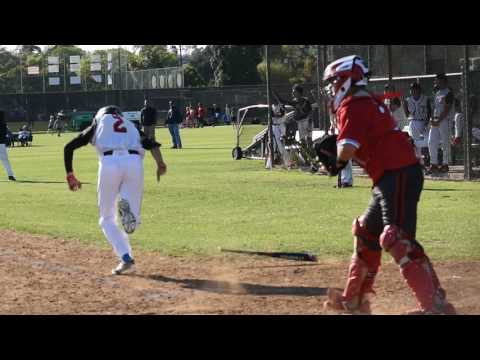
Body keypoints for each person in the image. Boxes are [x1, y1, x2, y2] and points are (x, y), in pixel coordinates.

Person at [320, 55, 455, 315]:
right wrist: (338, 152)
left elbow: (347, 149)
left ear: (347, 80)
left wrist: (336, 160)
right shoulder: (363, 100)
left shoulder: (354, 103)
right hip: (390, 177)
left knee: (396, 239)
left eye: (334, 81)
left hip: (398, 173)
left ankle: (435, 306)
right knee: (366, 232)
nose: (332, 88)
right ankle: (354, 301)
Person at [63, 105, 167, 275]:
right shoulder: (131, 125)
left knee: (106, 218)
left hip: (109, 163)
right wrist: (160, 163)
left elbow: (69, 147)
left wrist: (70, 175)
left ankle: (125, 256)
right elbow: (151, 143)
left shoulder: (98, 123)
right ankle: (129, 229)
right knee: (132, 220)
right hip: (134, 163)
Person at [274, 84, 313, 159]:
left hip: (307, 121)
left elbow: (310, 112)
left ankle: (312, 155)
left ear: (299, 92)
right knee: (302, 141)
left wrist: (309, 123)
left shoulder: (305, 101)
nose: (292, 93)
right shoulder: (294, 101)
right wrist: (276, 95)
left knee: (309, 139)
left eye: (294, 92)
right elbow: (284, 102)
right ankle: (306, 157)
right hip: (300, 122)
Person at [427, 73, 454, 174]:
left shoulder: (448, 92)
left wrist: (438, 120)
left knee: (445, 142)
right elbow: (435, 108)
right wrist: (432, 119)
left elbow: (447, 109)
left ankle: (445, 164)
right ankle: (433, 164)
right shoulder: (437, 93)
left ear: (442, 81)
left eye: (437, 80)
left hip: (445, 120)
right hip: (436, 120)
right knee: (431, 141)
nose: (435, 82)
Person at [403, 82, 431, 160]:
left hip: (424, 121)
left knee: (428, 140)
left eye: (415, 89)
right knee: (415, 142)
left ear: (419, 90)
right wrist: (410, 115)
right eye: (411, 89)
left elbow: (429, 111)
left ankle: (426, 156)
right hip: (413, 122)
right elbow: (406, 114)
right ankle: (418, 160)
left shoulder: (425, 98)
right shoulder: (407, 100)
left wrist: (427, 122)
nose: (413, 91)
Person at [329, 114, 353, 188]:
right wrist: (332, 125)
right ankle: (343, 180)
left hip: (345, 134)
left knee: (345, 158)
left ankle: (347, 181)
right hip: (340, 133)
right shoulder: (336, 110)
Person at [0, 110, 16, 181]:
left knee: (5, 160)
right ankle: (10, 175)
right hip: (2, 144)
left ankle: (10, 175)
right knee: (5, 160)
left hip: (1, 143)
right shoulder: (4, 125)